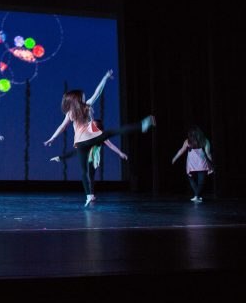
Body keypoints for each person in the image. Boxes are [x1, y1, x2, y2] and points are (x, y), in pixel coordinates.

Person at [44, 70, 156, 207]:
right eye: (83, 97)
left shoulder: (70, 113)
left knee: (84, 171)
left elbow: (62, 127)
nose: (85, 98)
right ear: (78, 99)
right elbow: (98, 91)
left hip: (80, 143)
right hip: (92, 138)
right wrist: (105, 77)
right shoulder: (87, 106)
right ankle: (141, 125)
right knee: (113, 132)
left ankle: (89, 196)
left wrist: (52, 139)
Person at [50, 119, 128, 205]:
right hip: (86, 152)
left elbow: (110, 145)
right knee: (84, 168)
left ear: (97, 127)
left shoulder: (101, 135)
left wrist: (120, 153)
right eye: (91, 124)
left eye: (93, 125)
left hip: (94, 157)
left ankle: (92, 194)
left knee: (91, 175)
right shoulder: (87, 134)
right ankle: (60, 158)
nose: (91, 126)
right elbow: (76, 151)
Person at [171, 125, 214, 202]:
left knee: (193, 179)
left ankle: (197, 196)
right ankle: (197, 196)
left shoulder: (188, 141)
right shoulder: (204, 140)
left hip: (193, 164)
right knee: (200, 181)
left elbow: (181, 151)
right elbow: (208, 153)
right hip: (201, 163)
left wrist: (175, 158)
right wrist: (212, 162)